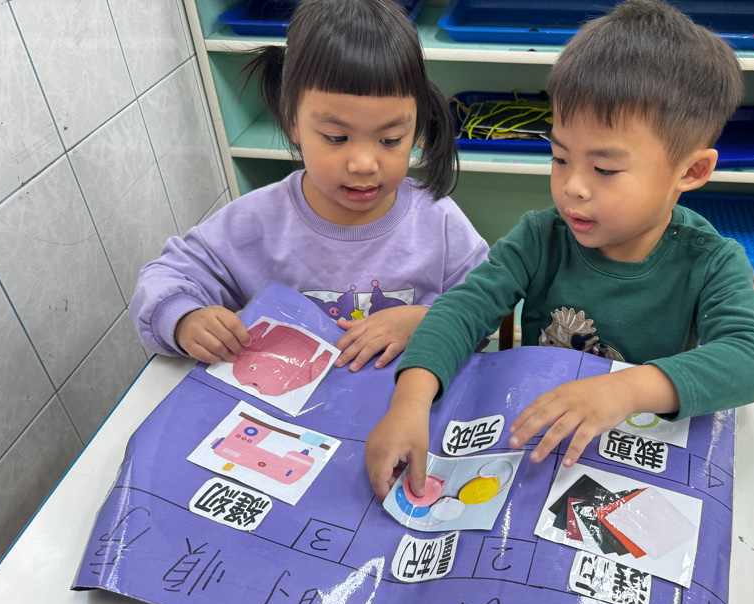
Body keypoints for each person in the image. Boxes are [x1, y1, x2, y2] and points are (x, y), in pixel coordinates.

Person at [366, 0, 754, 498]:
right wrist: (409, 403)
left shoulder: (711, 261)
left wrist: (624, 390)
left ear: (690, 171)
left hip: (633, 446)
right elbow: (463, 309)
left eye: (604, 169)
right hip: (539, 439)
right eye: (560, 157)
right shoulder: (541, 236)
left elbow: (751, 359)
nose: (572, 187)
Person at [130, 0, 488, 371]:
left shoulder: (438, 222)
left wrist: (428, 322)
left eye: (390, 140)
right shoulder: (257, 222)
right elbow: (165, 277)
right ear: (292, 123)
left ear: (415, 128)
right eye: (336, 137)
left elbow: (488, 306)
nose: (364, 164)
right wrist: (185, 320)